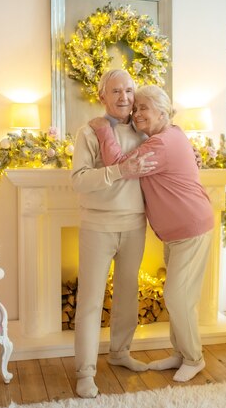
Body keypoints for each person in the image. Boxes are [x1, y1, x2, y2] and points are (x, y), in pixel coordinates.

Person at [89, 85, 214, 383]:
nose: (136, 112)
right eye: (136, 108)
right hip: (177, 232)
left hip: (190, 228)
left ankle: (194, 358)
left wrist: (103, 128)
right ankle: (180, 353)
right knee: (179, 296)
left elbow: (120, 165)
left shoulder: (161, 144)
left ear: (163, 111)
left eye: (144, 107)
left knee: (177, 297)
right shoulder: (171, 135)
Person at [71, 69, 157, 398]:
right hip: (97, 225)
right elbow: (78, 180)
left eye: (129, 91)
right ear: (102, 96)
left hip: (135, 224)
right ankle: (85, 372)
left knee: (128, 295)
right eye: (116, 91)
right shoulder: (89, 132)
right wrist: (119, 170)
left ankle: (120, 353)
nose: (124, 97)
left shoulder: (144, 130)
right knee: (90, 302)